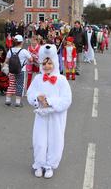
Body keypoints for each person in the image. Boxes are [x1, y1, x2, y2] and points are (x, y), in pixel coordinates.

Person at [27, 44, 72, 179]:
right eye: (44, 63)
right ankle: (39, 163)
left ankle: (49, 165)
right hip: (41, 115)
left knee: (55, 140)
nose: (47, 66)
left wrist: (50, 102)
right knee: (39, 140)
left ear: (55, 63)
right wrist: (37, 98)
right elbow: (30, 94)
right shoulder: (38, 79)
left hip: (56, 116)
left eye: (50, 63)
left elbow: (67, 99)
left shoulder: (61, 80)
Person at [5, 35, 33, 107]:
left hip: (11, 71)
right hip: (21, 71)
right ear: (21, 42)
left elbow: (6, 61)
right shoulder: (24, 51)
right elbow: (31, 59)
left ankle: (8, 100)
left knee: (11, 84)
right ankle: (18, 102)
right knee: (19, 85)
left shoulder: (10, 50)